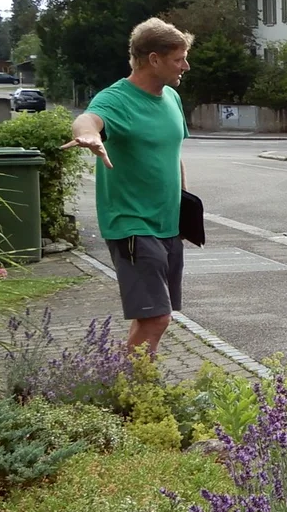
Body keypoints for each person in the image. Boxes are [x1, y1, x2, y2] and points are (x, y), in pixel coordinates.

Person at [64, 18, 194, 357]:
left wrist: (183, 202)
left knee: (151, 316)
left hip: (168, 224)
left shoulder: (172, 99)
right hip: (131, 222)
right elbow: (89, 119)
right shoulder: (117, 99)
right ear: (154, 59)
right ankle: (135, 391)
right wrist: (89, 135)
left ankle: (129, 385)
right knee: (157, 318)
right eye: (178, 59)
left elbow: (172, 154)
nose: (186, 65)